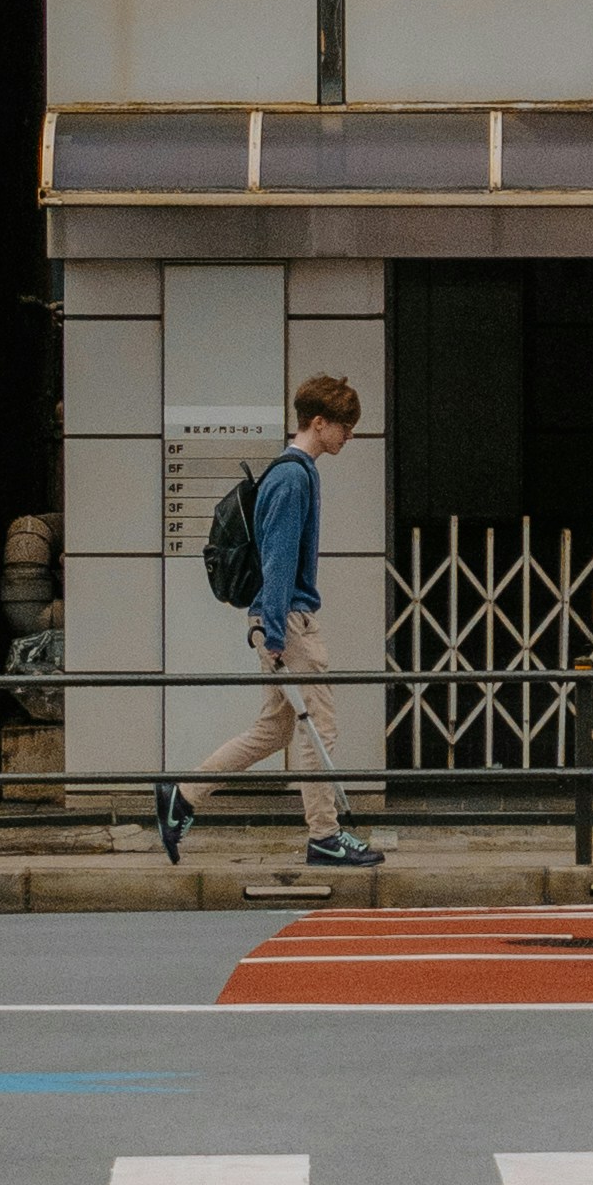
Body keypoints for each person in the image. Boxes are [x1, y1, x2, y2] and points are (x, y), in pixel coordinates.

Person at [155, 371, 383, 872]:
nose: (349, 435)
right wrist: (276, 631)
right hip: (291, 624)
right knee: (318, 729)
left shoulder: (292, 473)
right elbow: (278, 560)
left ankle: (182, 793)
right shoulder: (293, 476)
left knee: (275, 729)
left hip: (280, 620)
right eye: (344, 425)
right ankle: (325, 836)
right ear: (318, 422)